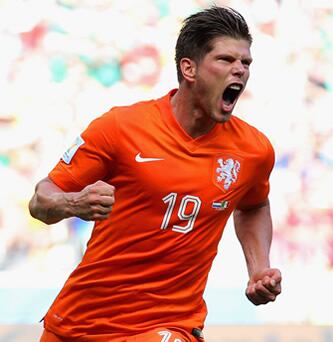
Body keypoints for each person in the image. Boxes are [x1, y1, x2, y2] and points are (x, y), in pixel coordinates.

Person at [28, 6, 281, 342]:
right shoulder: (120, 127)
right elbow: (40, 201)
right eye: (225, 60)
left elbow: (253, 204)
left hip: (168, 325)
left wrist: (258, 267)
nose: (239, 71)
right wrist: (74, 203)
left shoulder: (253, 150)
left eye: (245, 63)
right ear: (188, 68)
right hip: (80, 324)